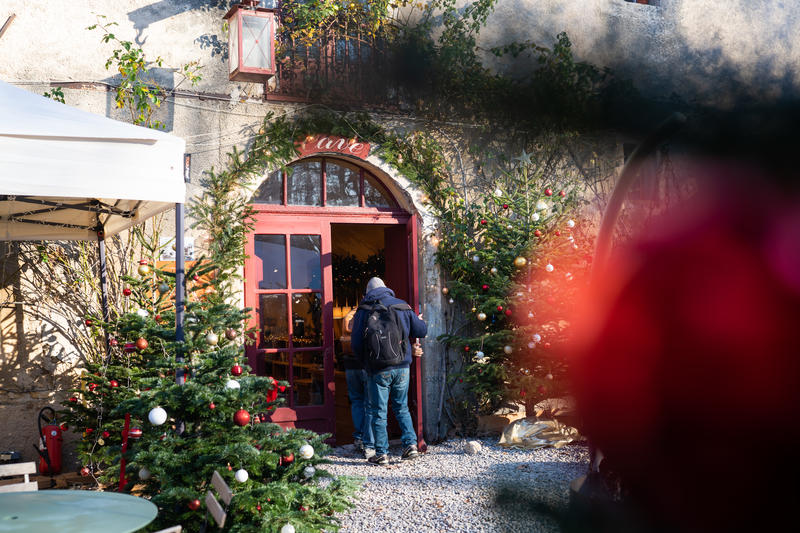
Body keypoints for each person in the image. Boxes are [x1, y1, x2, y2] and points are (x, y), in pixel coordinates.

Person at [351, 277, 427, 465]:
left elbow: (356, 344)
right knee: (401, 407)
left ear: (367, 292)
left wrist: (366, 364)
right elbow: (421, 331)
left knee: (379, 411)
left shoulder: (364, 310)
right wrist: (416, 320)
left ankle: (382, 454)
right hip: (402, 367)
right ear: (386, 288)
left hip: (377, 369)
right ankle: (410, 446)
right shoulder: (402, 306)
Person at [341, 306, 374, 458]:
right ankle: (368, 440)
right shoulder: (367, 316)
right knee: (369, 403)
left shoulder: (347, 318)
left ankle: (359, 436)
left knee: (356, 401)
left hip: (349, 365)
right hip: (365, 365)